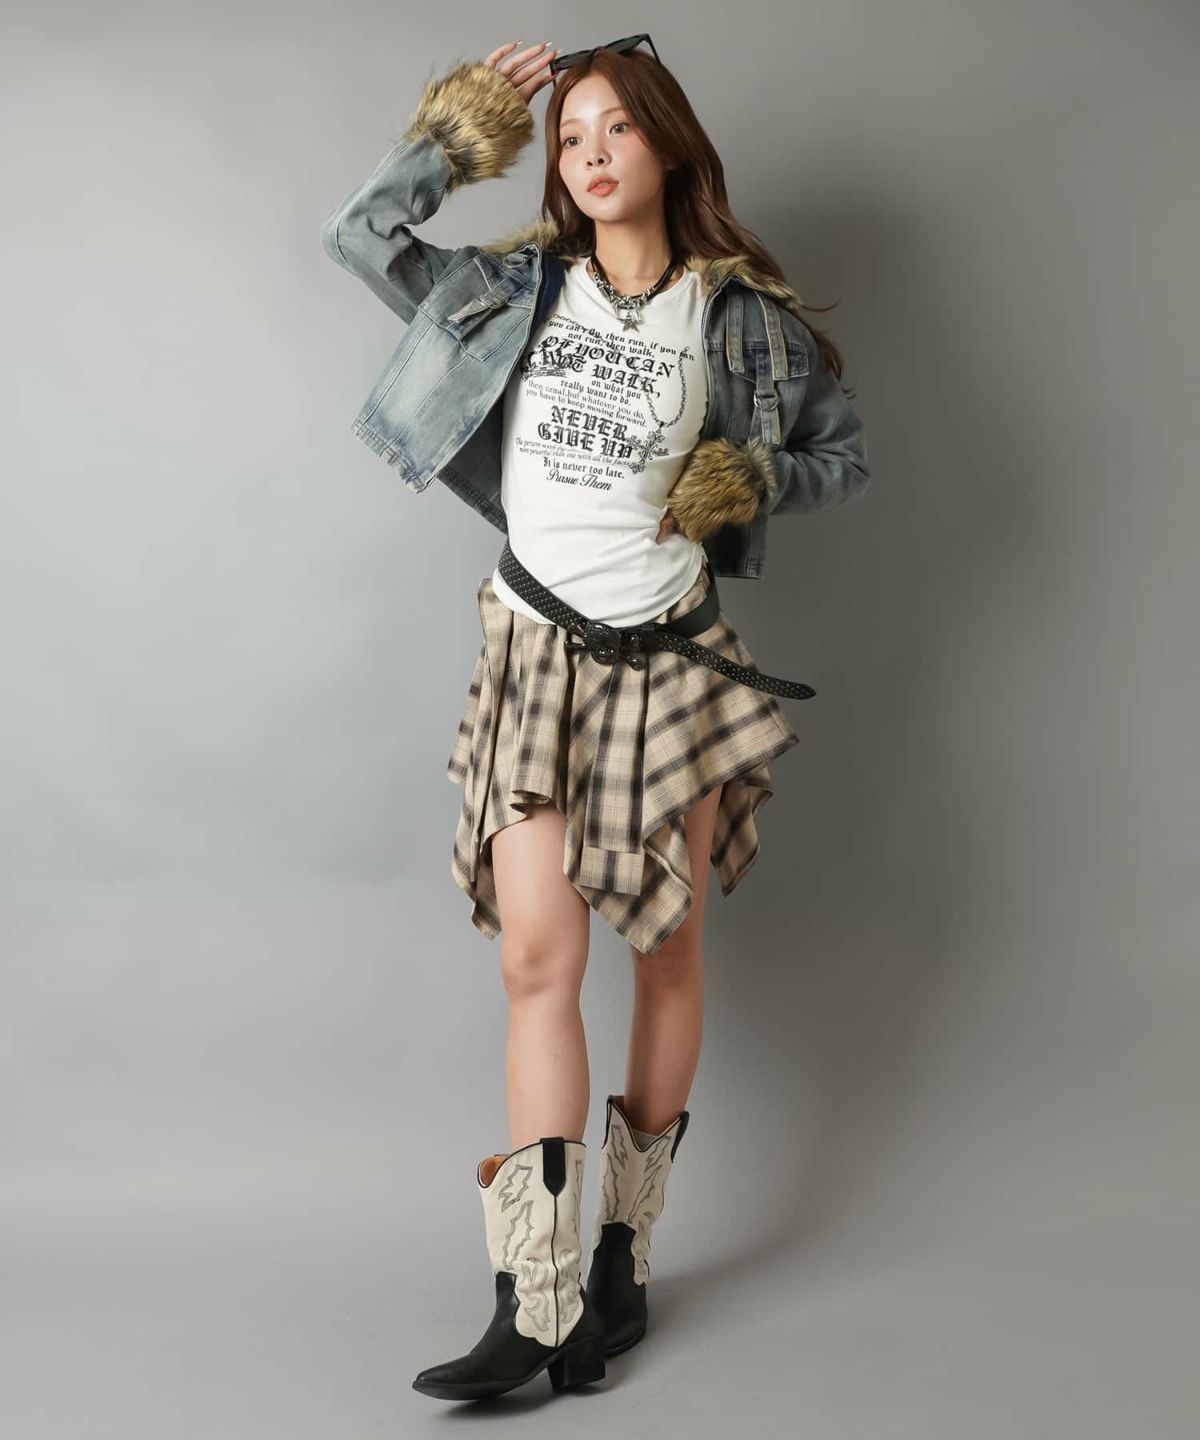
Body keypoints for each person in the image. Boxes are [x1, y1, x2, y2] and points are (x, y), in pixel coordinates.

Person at [319, 35, 870, 1402]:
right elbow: (360, 237)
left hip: (666, 665)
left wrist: (751, 480)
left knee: (665, 956)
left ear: (670, 144)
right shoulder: (514, 291)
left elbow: (840, 455)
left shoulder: (737, 321)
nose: (591, 153)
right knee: (535, 963)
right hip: (532, 654)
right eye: (571, 136)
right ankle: (536, 1298)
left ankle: (620, 1257)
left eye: (617, 127)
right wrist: (458, 132)